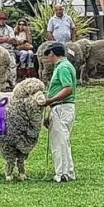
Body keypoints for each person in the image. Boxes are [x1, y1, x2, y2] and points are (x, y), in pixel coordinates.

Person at [39, 42, 77, 183]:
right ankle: (67, 171)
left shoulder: (63, 68)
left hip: (62, 107)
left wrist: (50, 100)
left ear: (53, 54)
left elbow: (68, 89)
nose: (48, 58)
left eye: (48, 55)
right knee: (63, 140)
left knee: (59, 142)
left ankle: (62, 173)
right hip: (60, 107)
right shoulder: (64, 66)